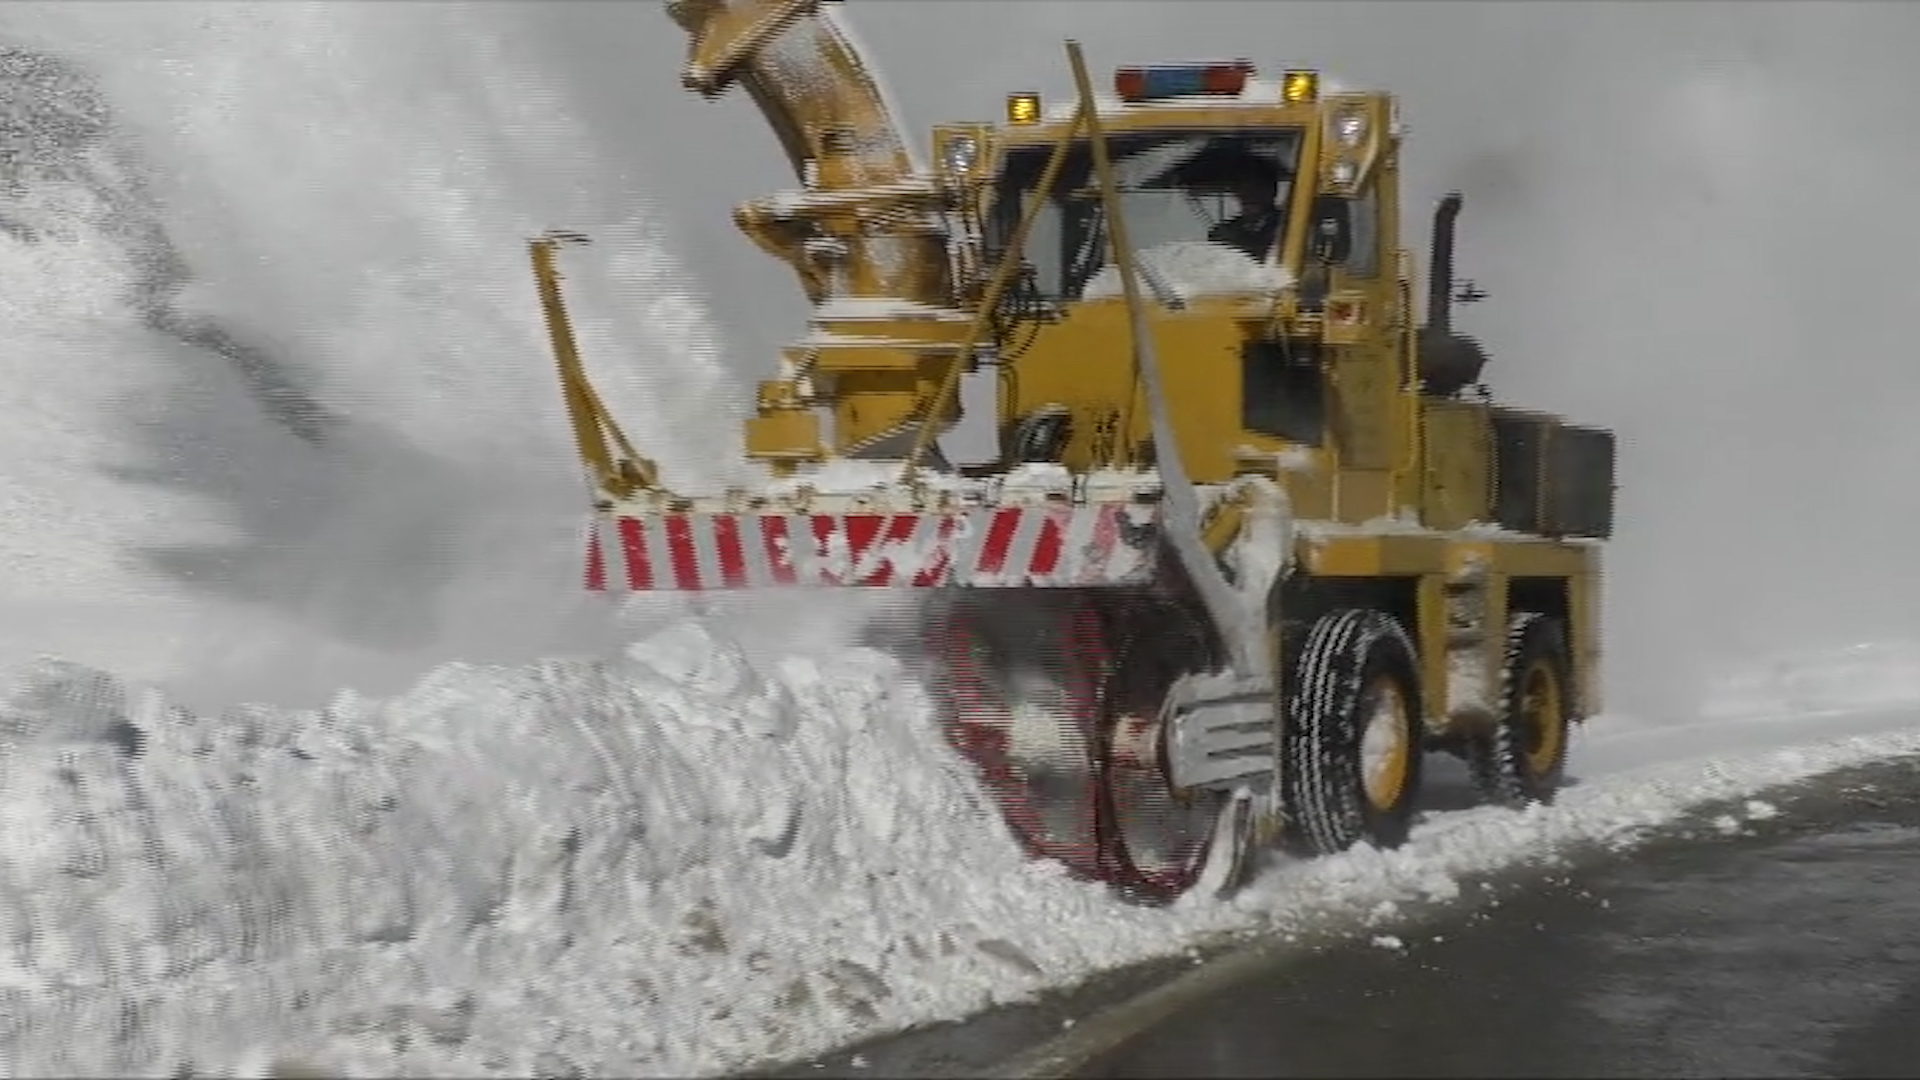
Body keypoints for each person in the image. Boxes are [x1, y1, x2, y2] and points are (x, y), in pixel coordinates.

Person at [1206, 170, 1283, 261]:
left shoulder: (1287, 226)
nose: (1249, 196)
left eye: (1257, 188)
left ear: (1273, 191)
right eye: (1243, 189)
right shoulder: (1224, 232)